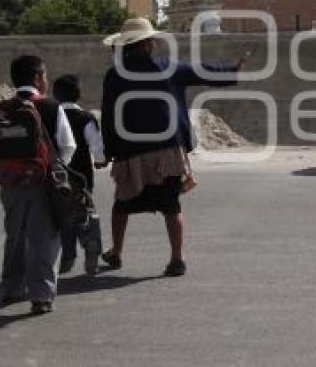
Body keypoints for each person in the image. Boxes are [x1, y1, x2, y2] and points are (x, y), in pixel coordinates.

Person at [100, 18, 245, 277]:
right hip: (167, 149)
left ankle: (116, 253)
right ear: (148, 44)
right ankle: (177, 259)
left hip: (131, 150)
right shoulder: (168, 68)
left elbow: (109, 116)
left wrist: (108, 150)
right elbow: (204, 73)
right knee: (171, 205)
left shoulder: (115, 76)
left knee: (122, 203)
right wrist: (233, 71)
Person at [0, 55, 77, 315]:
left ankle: (12, 288)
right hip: (43, 182)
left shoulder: (1, 108)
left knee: (15, 236)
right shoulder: (50, 106)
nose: (46, 80)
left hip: (10, 183)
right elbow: (68, 146)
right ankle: (41, 296)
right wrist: (55, 168)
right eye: (44, 75)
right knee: (44, 238)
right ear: (37, 78)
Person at [52, 74, 106, 276]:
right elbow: (96, 146)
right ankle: (91, 243)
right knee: (85, 211)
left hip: (57, 179)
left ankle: (68, 255)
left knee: (63, 215)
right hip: (82, 178)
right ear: (79, 94)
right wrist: (100, 161)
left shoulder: (51, 115)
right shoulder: (86, 118)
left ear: (55, 95)